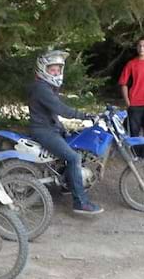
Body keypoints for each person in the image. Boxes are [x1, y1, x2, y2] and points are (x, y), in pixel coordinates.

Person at [27, 50, 103, 215]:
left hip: (51, 127)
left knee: (75, 149)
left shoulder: (48, 86)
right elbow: (59, 108)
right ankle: (80, 202)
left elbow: (52, 112)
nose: (56, 73)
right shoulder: (41, 88)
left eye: (58, 70)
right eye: (52, 69)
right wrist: (83, 115)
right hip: (43, 131)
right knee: (74, 157)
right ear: (43, 70)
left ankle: (66, 184)